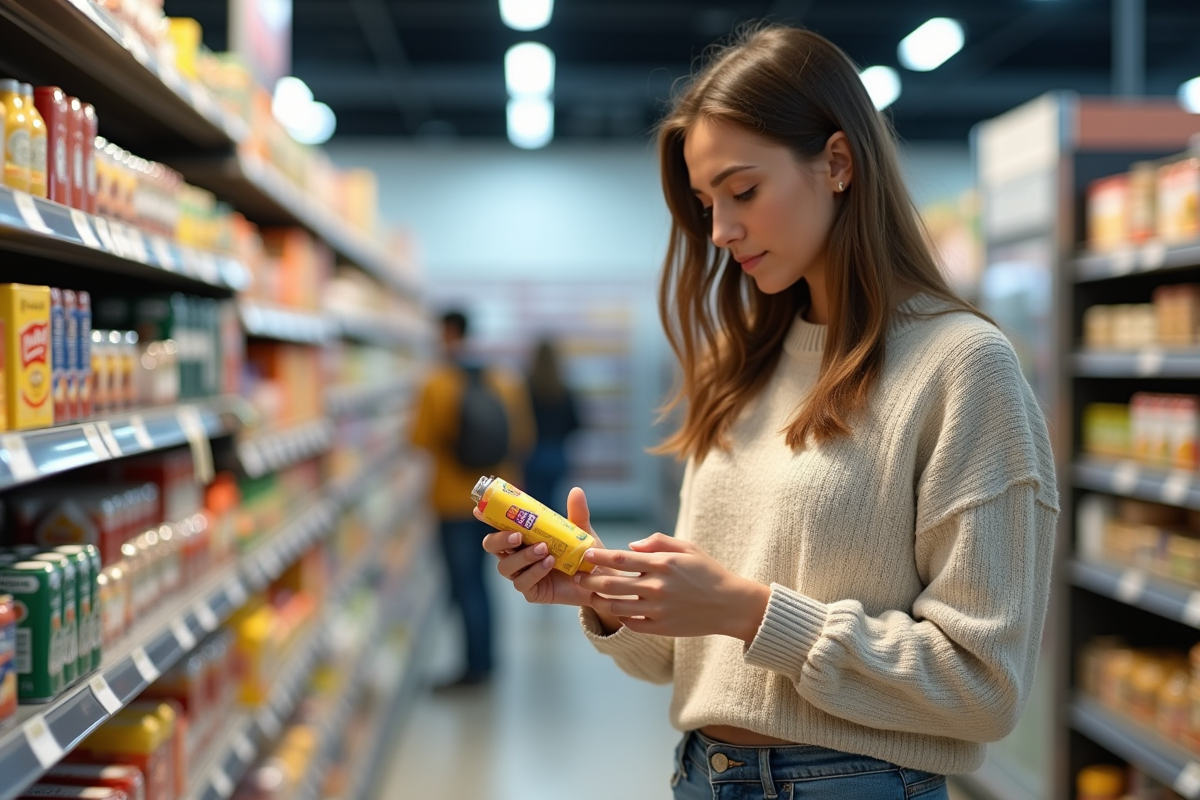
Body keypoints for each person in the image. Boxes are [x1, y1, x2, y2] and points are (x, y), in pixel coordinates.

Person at [480, 23, 1057, 799]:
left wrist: (751, 612)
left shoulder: (960, 366)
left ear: (840, 162)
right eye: (706, 203)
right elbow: (688, 659)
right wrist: (603, 591)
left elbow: (986, 685)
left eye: (743, 191)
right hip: (703, 776)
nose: (720, 232)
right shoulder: (737, 367)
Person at [411, 309, 534, 689]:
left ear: (447, 333)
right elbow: (524, 438)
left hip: (452, 500)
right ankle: (487, 660)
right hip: (499, 502)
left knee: (464, 585)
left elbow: (419, 438)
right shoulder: (505, 381)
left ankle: (473, 667)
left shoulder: (436, 383)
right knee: (487, 583)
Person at [522, 338, 581, 511]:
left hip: (532, 453)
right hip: (557, 452)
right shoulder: (564, 388)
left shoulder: (526, 387)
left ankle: (535, 536)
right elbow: (576, 423)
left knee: (533, 503)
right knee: (555, 503)